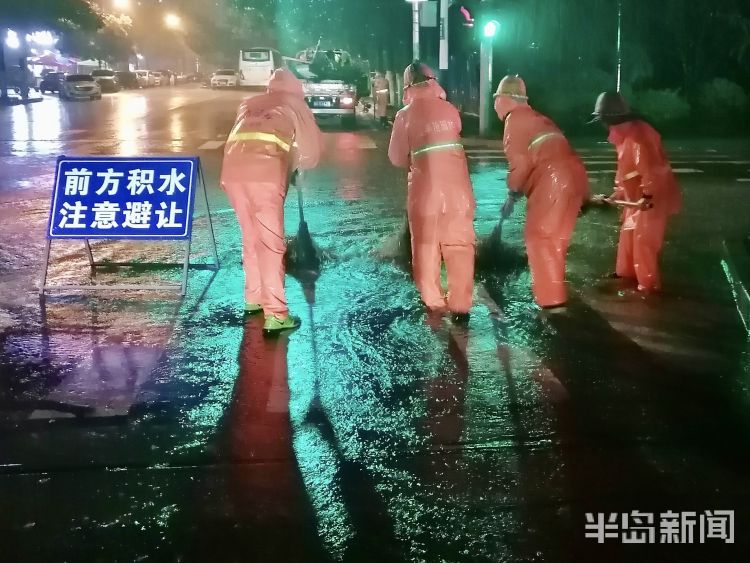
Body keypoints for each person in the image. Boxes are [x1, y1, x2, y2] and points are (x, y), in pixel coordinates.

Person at [220, 68, 322, 333]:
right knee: (271, 244)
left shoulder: (249, 103)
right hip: (265, 177)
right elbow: (311, 153)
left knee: (250, 238)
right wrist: (297, 167)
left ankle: (253, 298)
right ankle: (276, 314)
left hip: (232, 175)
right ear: (296, 88)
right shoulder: (295, 104)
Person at [494, 75, 590, 311]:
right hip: (575, 178)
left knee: (540, 239)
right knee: (555, 241)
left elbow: (520, 163)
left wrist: (512, 193)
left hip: (552, 180)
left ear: (505, 99)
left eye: (496, 99)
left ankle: (551, 304)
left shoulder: (515, 119)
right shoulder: (539, 118)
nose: (495, 104)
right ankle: (556, 293)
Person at [388, 61, 476, 319]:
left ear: (407, 86)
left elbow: (395, 157)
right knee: (460, 246)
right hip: (460, 194)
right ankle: (461, 306)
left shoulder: (405, 115)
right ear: (432, 80)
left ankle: (434, 303)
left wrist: (414, 159)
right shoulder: (450, 110)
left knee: (426, 247)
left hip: (426, 194)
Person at [589, 92, 682, 293]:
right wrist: (617, 194)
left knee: (644, 242)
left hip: (652, 198)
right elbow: (627, 171)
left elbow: (651, 170)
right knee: (628, 234)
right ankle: (625, 273)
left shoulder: (639, 137)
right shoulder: (624, 134)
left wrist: (647, 196)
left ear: (609, 118)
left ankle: (647, 287)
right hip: (636, 196)